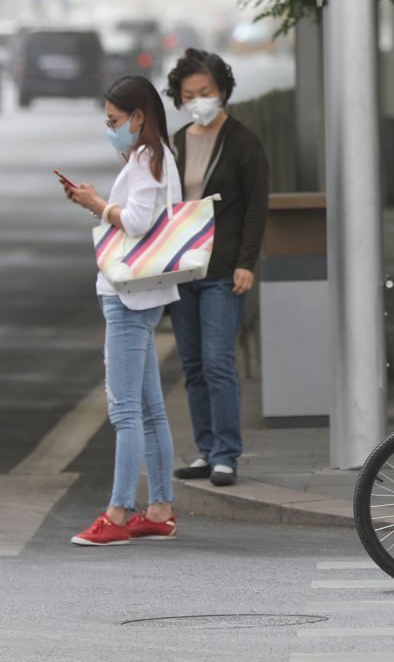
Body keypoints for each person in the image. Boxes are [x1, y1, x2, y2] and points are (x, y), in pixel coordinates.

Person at [65, 75, 181, 545]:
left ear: (138, 117)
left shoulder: (151, 158)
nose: (110, 128)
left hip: (128, 299)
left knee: (126, 411)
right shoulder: (146, 157)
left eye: (115, 120)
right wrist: (100, 202)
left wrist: (98, 203)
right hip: (136, 296)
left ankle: (118, 513)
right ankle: (159, 508)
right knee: (150, 409)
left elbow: (136, 221)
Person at [163, 49, 268, 487]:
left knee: (217, 362)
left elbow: (256, 209)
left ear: (222, 91)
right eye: (189, 95)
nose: (198, 101)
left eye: (205, 92)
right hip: (182, 269)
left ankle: (227, 454)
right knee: (191, 365)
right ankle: (205, 451)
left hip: (223, 270)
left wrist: (247, 263)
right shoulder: (180, 140)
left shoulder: (243, 142)